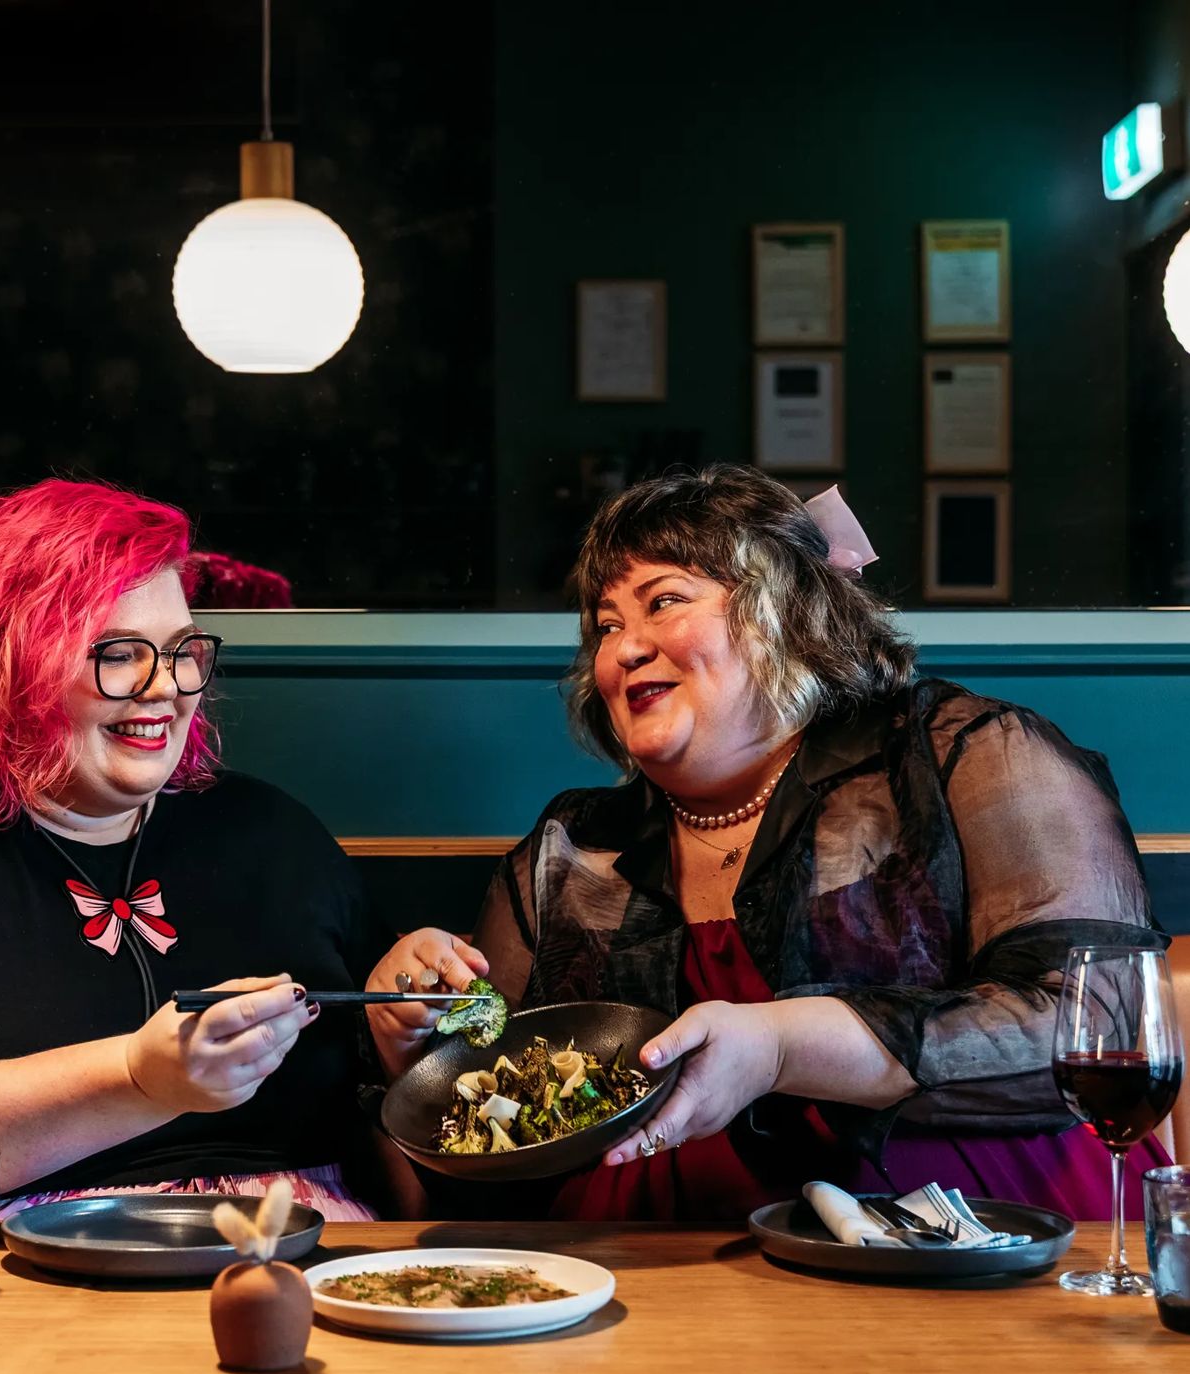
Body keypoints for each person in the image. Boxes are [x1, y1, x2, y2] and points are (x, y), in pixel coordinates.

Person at [380, 463, 1170, 1221]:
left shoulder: (965, 755)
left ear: (783, 611)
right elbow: (479, 1124)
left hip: (976, 1238)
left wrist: (783, 1048)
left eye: (663, 602)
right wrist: (407, 1032)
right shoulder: (573, 847)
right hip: (650, 1269)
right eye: (606, 626)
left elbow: (1092, 1027)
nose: (621, 649)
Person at [0, 478, 471, 1221]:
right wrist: (138, 1079)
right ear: (9, 666)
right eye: (121, 653)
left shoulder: (272, 832)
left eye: (181, 651)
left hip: (299, 1264)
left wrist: (400, 1030)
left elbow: (402, 1113)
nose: (165, 687)